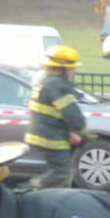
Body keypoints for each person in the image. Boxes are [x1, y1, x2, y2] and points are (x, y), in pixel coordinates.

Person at [24, 45, 93, 189]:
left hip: (43, 133)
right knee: (63, 172)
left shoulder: (44, 80)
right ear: (62, 68)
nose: (73, 71)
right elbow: (71, 112)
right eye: (71, 68)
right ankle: (31, 189)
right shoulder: (57, 85)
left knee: (61, 172)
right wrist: (82, 131)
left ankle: (52, 198)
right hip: (50, 137)